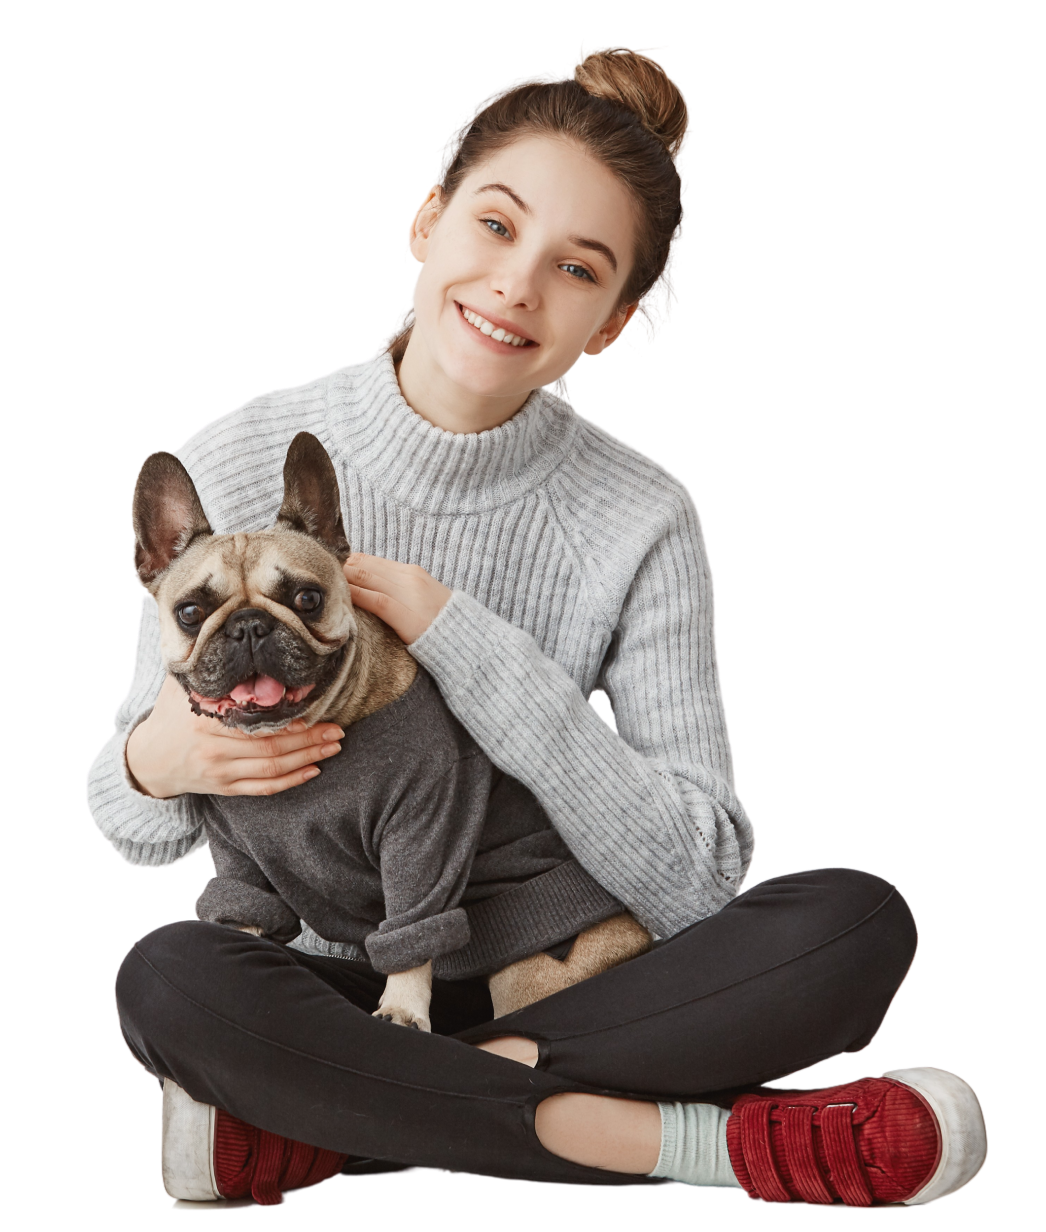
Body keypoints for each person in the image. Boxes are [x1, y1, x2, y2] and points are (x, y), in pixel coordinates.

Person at [88, 43, 987, 1210]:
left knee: (853, 924)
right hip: (322, 987)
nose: (516, 285)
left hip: (564, 971)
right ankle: (700, 1144)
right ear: (424, 219)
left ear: (613, 322)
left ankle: (337, 1121)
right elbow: (136, 831)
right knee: (169, 976)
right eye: (497, 226)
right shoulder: (237, 453)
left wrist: (464, 638)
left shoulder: (643, 514)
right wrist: (161, 756)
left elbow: (703, 874)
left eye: (577, 267)